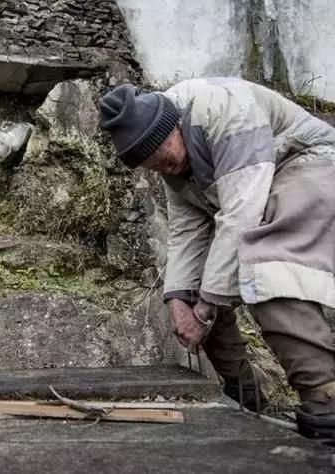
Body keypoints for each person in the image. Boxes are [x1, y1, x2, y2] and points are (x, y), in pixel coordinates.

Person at [98, 77, 335, 438]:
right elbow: (186, 230)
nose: (165, 168)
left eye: (164, 156)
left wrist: (206, 308)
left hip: (307, 163)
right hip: (249, 193)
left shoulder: (224, 108)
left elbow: (241, 215)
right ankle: (246, 397)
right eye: (154, 166)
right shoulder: (170, 155)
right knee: (194, 290)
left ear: (172, 126)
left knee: (268, 263)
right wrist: (179, 298)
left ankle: (325, 397)